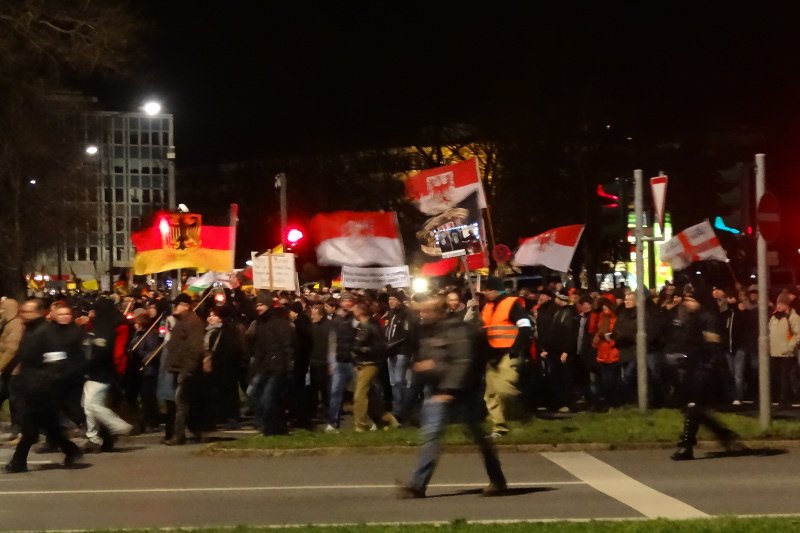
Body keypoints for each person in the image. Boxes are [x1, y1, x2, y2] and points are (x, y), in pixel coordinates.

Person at [397, 293, 507, 498]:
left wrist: (448, 390)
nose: (423, 314)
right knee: (431, 436)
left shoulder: (457, 330)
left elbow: (462, 362)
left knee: (478, 437)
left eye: (427, 310)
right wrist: (426, 367)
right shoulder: (429, 331)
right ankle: (417, 485)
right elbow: (434, 358)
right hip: (437, 390)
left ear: (439, 311)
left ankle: (498, 480)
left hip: (459, 392)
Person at [6, 300, 84, 472]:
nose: (24, 315)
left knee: (30, 427)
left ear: (40, 312)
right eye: (23, 311)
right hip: (30, 386)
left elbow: (56, 361)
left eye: (28, 312)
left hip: (42, 388)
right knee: (49, 426)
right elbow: (24, 356)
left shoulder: (47, 332)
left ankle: (18, 462)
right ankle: (71, 449)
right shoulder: (30, 331)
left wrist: (44, 381)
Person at [667, 286, 741, 461]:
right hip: (694, 366)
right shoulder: (692, 318)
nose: (688, 303)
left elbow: (713, 345)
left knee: (693, 406)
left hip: (705, 368)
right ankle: (724, 434)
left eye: (691, 300)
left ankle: (686, 446)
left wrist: (703, 364)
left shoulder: (708, 318)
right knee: (693, 408)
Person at [480, 277, 532, 438]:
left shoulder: (511, 304)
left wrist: (515, 350)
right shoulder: (487, 307)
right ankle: (500, 427)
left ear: (494, 290)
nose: (484, 293)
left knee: (503, 390)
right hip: (491, 356)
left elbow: (525, 327)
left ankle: (521, 412)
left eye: (486, 290)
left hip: (508, 354)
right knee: (491, 394)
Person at [82, 298, 133, 453]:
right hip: (100, 369)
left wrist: (116, 368)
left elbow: (118, 351)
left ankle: (112, 429)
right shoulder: (109, 323)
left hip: (106, 369)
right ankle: (99, 438)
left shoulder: (116, 325)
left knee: (91, 404)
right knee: (92, 404)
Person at [164, 293, 205, 445]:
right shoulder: (182, 321)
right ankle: (194, 430)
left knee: (181, 402)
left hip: (185, 369)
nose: (175, 307)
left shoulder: (193, 323)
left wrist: (187, 369)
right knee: (184, 402)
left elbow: (195, 348)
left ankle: (179, 435)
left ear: (186, 306)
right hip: (178, 367)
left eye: (178, 304)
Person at [768, 293, 800, 408]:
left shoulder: (793, 317)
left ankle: (785, 400)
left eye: (782, 303)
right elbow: (769, 332)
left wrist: (790, 347)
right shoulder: (774, 317)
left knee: (785, 378)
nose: (779, 306)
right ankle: (778, 398)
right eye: (778, 303)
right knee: (776, 376)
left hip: (787, 353)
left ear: (787, 305)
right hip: (774, 352)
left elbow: (798, 334)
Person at [0, 298, 23, 438]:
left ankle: (18, 428)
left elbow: (12, 349)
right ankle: (17, 428)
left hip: (14, 370)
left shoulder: (15, 325)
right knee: (12, 399)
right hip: (10, 370)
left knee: (15, 400)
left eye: (3, 308)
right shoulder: (8, 323)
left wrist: (1, 366)